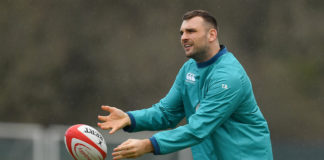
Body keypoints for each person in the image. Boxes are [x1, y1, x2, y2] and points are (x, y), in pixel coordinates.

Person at [97, 10, 273, 160]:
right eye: (181, 33)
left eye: (191, 31)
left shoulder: (228, 76)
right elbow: (167, 113)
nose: (184, 37)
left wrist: (148, 145)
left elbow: (198, 128)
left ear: (212, 35)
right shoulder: (189, 68)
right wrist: (130, 119)